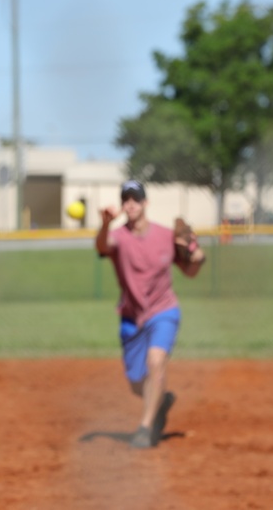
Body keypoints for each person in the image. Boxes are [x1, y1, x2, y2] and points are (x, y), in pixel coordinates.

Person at [94, 179, 205, 449]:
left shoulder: (166, 235)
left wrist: (197, 257)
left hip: (163, 311)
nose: (130, 204)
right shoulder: (117, 237)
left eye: (135, 199)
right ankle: (162, 400)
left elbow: (190, 272)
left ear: (145, 203)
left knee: (156, 361)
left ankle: (145, 428)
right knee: (136, 384)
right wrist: (106, 223)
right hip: (132, 317)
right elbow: (101, 247)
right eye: (126, 200)